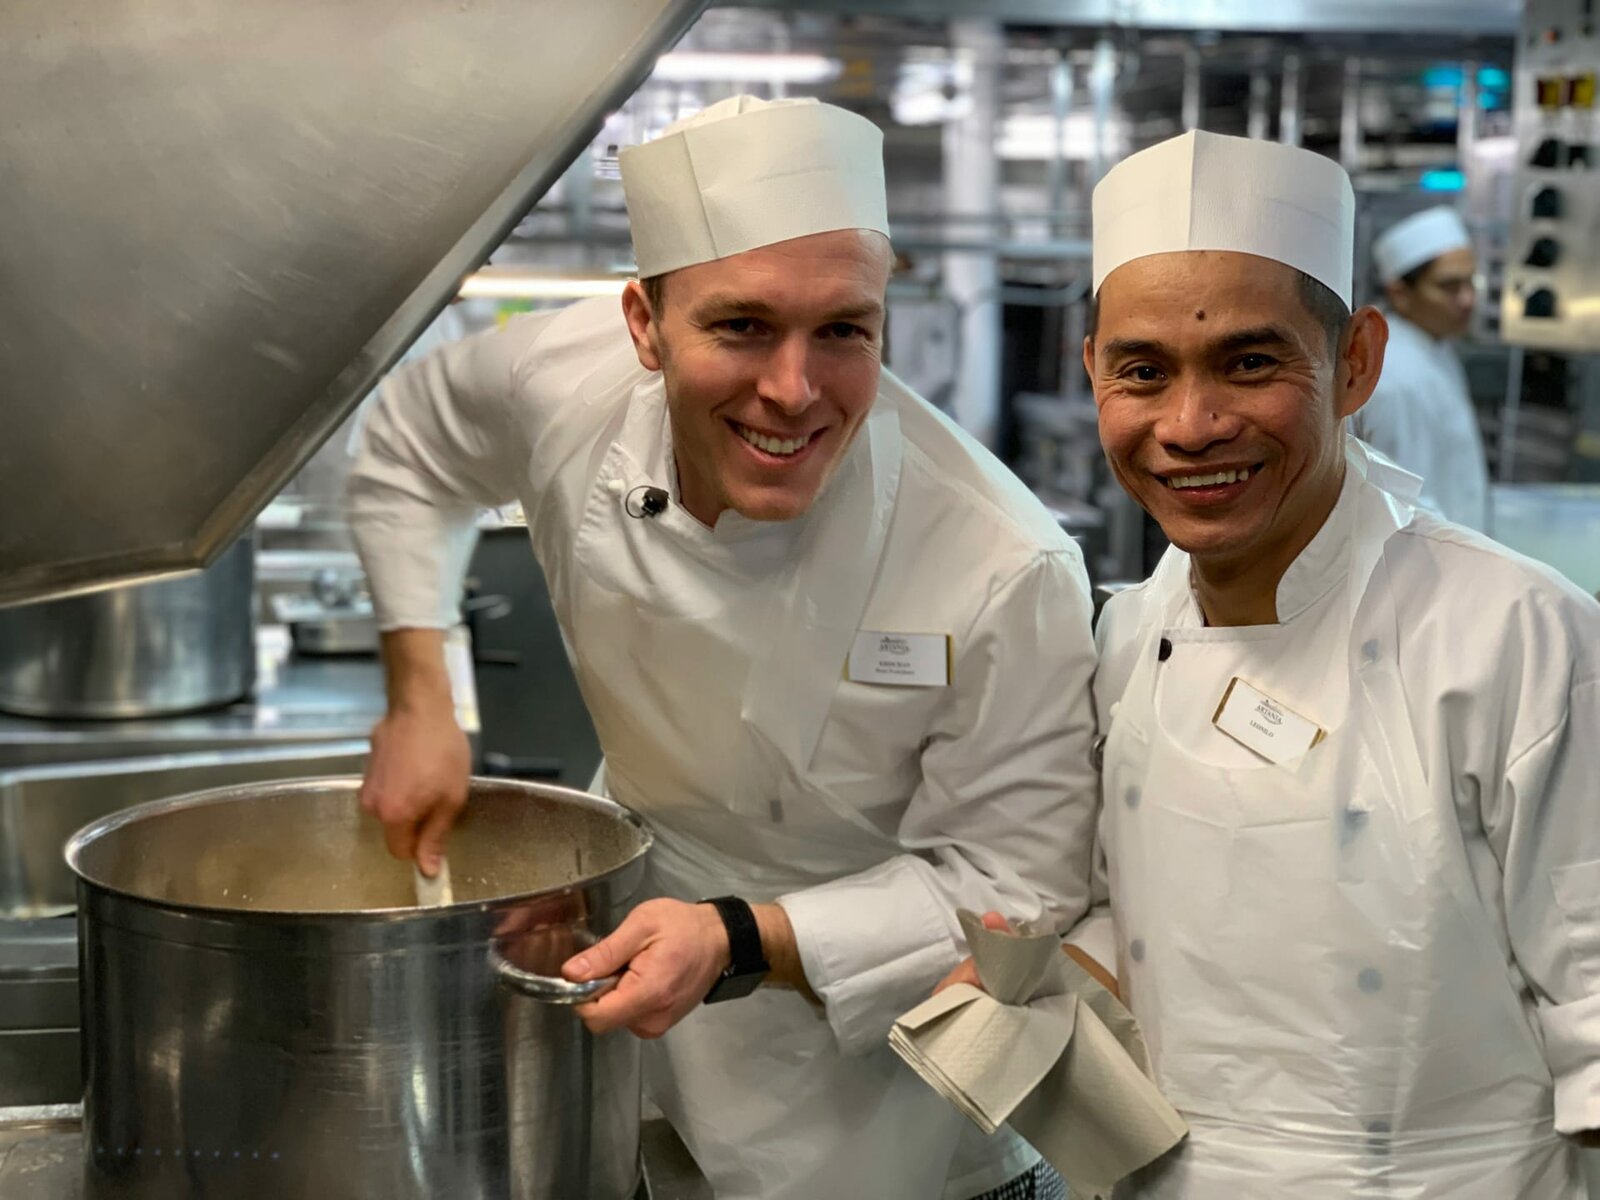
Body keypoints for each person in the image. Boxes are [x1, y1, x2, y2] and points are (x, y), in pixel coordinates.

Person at [346, 95, 1099, 1200]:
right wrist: (426, 697)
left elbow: (1019, 895)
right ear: (642, 326)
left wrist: (740, 938)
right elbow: (410, 446)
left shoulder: (1001, 561)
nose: (792, 391)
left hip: (900, 1094)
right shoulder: (563, 384)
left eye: (843, 330)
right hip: (633, 1023)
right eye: (741, 327)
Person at [942, 130, 1598, 1197]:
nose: (1190, 425)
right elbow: (1153, 912)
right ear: (1092, 372)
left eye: (1250, 363)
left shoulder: (1517, 637)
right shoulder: (1126, 634)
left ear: (1356, 362)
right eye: (1142, 372)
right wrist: (1029, 977)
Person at [1354, 205, 1490, 529]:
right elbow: (1407, 501)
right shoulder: (1395, 377)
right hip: (1432, 552)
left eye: (1471, 283)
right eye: (1449, 287)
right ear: (1400, 293)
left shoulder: (1435, 348)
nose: (1468, 299)